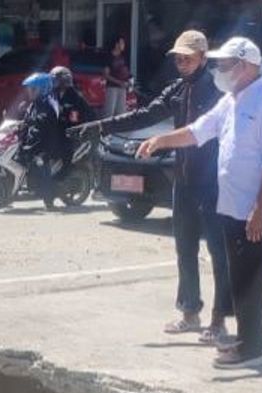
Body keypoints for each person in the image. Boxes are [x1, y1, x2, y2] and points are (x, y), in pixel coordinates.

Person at [69, 31, 231, 344]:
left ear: (203, 57)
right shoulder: (178, 89)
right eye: (178, 58)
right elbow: (145, 115)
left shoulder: (217, 91)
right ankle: (189, 312)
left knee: (217, 251)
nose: (181, 63)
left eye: (187, 57)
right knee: (185, 248)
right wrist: (101, 125)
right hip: (183, 181)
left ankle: (219, 319)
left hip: (212, 182)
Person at [138, 37, 262, 369]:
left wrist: (260, 208)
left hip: (255, 210)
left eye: (224, 65)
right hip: (231, 206)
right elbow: (196, 131)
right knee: (240, 276)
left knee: (251, 276)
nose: (219, 71)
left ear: (246, 66)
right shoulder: (231, 102)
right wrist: (161, 140)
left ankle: (251, 347)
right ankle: (254, 339)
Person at [18, 72, 63, 210]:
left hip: (45, 145)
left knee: (42, 168)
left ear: (42, 89)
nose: (29, 92)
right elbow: (28, 119)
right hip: (35, 142)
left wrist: (31, 119)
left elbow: (44, 120)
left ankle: (49, 201)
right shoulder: (34, 103)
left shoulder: (48, 103)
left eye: (33, 89)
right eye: (29, 89)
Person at [50, 66, 96, 181]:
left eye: (56, 80)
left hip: (73, 131)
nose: (53, 83)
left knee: (66, 150)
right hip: (57, 128)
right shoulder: (53, 94)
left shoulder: (74, 97)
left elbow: (73, 119)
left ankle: (61, 178)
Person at [102, 36, 131, 117]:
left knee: (121, 112)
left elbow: (125, 71)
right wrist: (119, 82)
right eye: (121, 43)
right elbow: (105, 74)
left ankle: (120, 129)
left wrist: (128, 81)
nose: (123, 45)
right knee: (109, 112)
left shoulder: (123, 57)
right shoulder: (108, 56)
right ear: (116, 44)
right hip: (112, 87)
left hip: (123, 87)